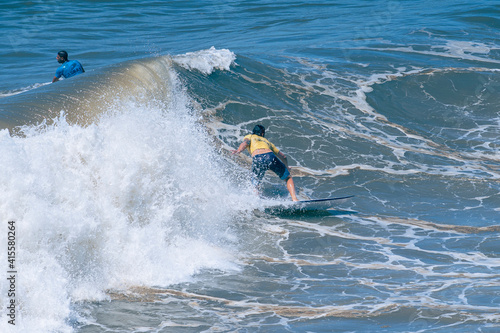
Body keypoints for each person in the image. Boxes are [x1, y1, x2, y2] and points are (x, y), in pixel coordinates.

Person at [232, 124, 298, 201]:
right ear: (262, 134)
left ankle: (255, 201)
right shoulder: (267, 142)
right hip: (270, 156)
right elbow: (283, 157)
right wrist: (286, 167)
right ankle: (294, 199)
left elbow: (245, 143)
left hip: (258, 158)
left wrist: (239, 150)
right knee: (288, 178)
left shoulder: (250, 136)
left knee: (255, 182)